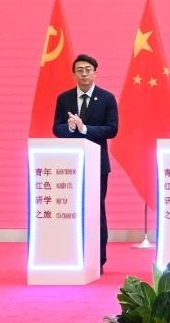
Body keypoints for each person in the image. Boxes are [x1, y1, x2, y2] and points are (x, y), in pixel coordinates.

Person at [52, 54, 118, 274]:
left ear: (95, 72)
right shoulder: (64, 98)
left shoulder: (107, 98)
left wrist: (84, 129)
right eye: (79, 70)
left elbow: (112, 129)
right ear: (74, 74)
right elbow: (56, 128)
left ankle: (98, 259)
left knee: (96, 211)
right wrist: (70, 128)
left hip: (97, 164)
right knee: (71, 210)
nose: (84, 74)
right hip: (70, 165)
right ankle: (71, 255)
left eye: (88, 69)